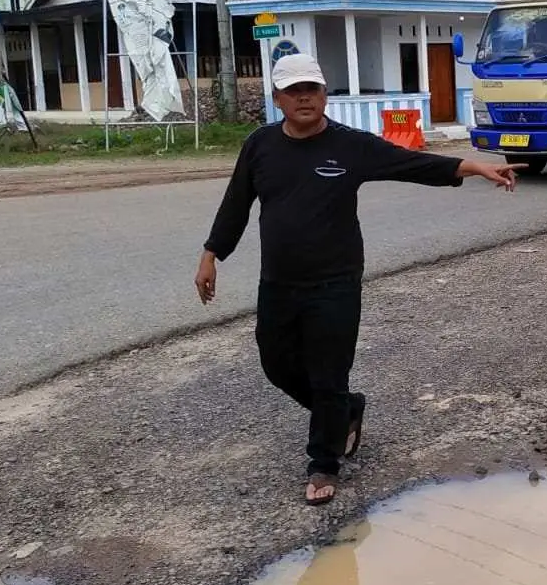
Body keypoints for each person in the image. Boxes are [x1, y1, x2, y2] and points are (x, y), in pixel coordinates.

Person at [195, 52, 522, 505]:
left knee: (328, 374)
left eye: (312, 88)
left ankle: (323, 464)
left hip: (336, 284)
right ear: (277, 98)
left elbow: (412, 164)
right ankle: (346, 412)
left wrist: (474, 167)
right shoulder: (260, 145)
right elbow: (236, 204)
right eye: (293, 90)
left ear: (325, 95)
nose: (304, 97)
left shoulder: (349, 146)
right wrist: (212, 254)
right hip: (279, 283)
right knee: (276, 365)